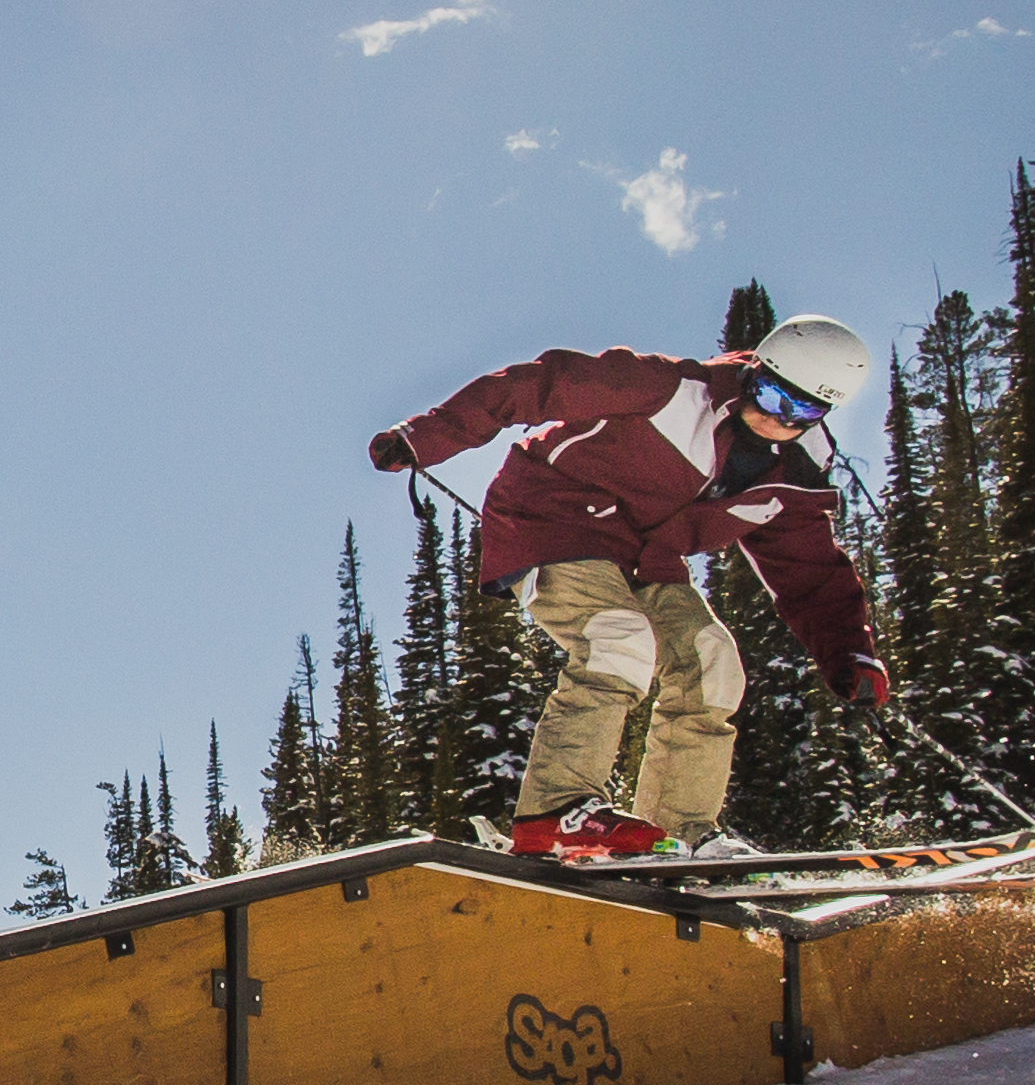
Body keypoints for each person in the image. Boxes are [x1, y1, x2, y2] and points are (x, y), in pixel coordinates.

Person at [368, 315, 890, 859]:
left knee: (711, 661)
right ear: (754, 371)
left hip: (646, 558)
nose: (774, 418)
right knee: (619, 637)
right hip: (553, 516)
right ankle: (555, 812)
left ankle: (682, 833)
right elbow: (537, 384)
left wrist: (850, 652)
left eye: (800, 411)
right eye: (769, 395)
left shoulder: (798, 470)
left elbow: (810, 569)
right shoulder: (670, 389)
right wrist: (427, 435)